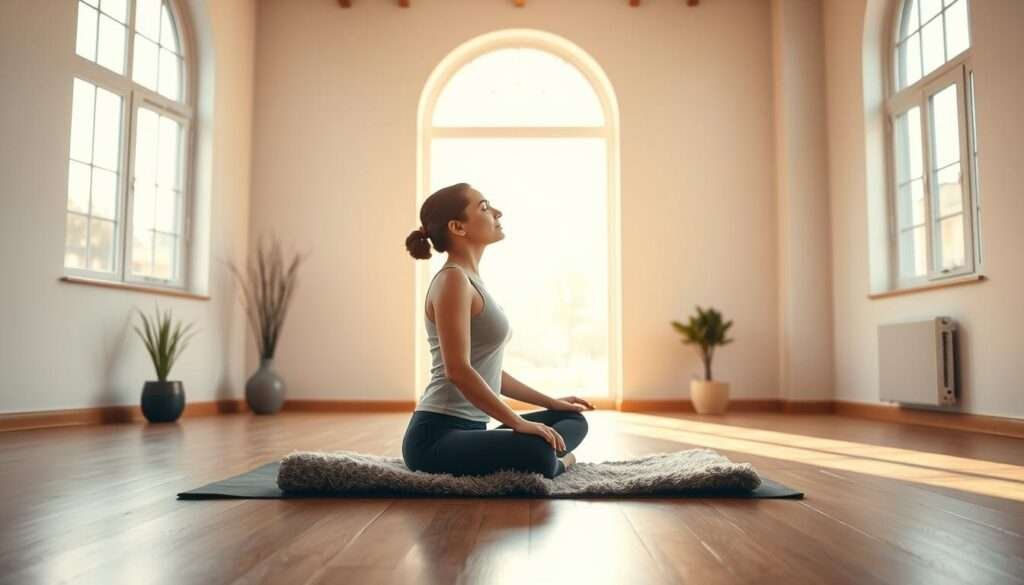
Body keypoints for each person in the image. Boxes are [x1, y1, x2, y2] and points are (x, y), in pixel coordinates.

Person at [402, 182, 594, 479]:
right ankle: (558, 463)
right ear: (457, 227)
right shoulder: (452, 280)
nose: (497, 212)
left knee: (571, 419)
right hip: (435, 436)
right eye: (484, 207)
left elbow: (489, 371)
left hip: (471, 431)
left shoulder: (471, 280)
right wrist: (518, 422)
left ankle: (546, 458)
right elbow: (458, 370)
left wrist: (551, 402)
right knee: (538, 451)